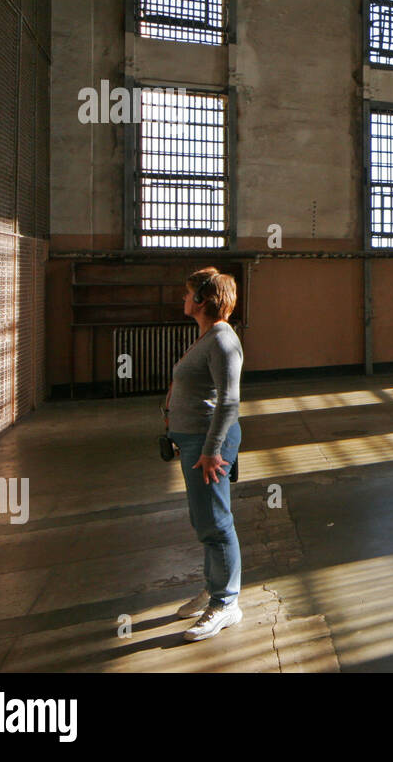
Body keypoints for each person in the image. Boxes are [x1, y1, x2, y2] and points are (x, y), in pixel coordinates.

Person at [164, 267, 245, 642]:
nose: (184, 298)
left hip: (207, 444)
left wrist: (213, 451)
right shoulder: (208, 337)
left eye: (188, 293)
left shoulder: (223, 341)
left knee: (215, 521)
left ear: (202, 300)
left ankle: (226, 603)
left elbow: (229, 402)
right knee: (205, 520)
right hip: (196, 441)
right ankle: (215, 587)